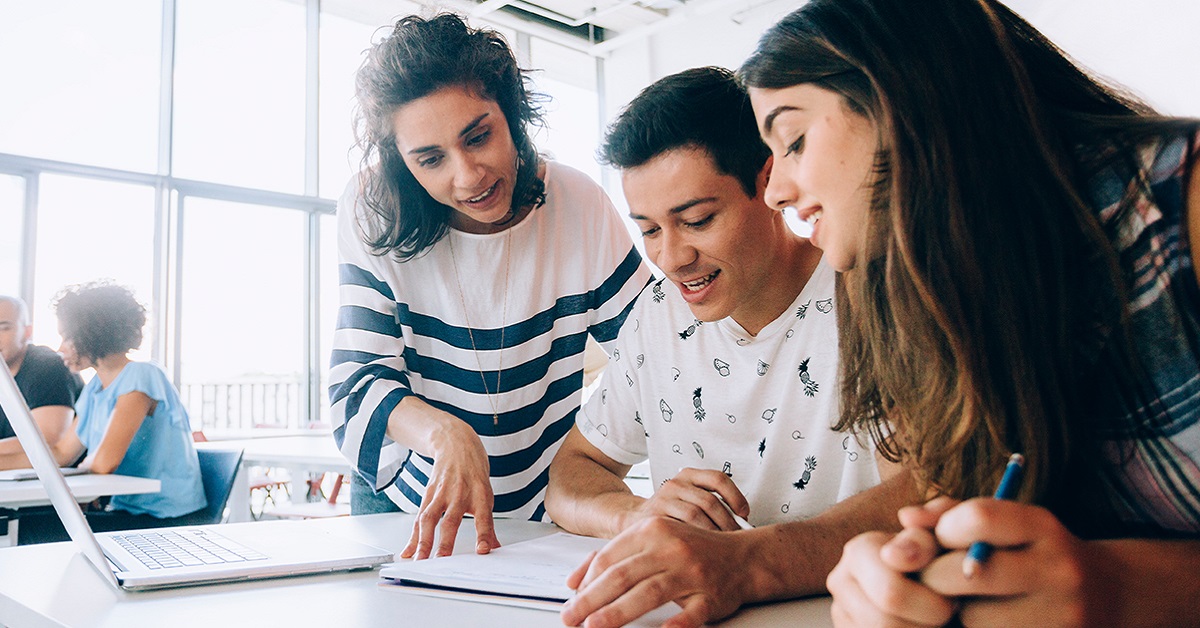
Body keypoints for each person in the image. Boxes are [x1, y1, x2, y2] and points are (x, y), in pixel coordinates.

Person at [739, 0, 1200, 625]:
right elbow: (946, 507)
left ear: (904, 95)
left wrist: (1123, 588)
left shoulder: (1180, 203)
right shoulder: (907, 291)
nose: (776, 192)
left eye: (792, 140)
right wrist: (906, 577)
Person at [548, 67, 915, 628]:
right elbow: (572, 473)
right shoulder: (654, 318)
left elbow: (924, 488)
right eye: (648, 230)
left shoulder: (872, 294)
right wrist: (640, 514)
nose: (670, 259)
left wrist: (746, 561)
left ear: (769, 182)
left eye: (696, 220)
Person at [330, 13, 651, 561]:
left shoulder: (578, 204)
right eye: (430, 159)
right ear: (403, 164)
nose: (468, 176)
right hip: (408, 504)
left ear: (513, 114)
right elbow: (357, 385)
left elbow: (657, 355)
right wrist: (444, 433)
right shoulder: (373, 210)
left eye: (479, 136)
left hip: (542, 501)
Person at [15, 282, 206, 544]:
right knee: (30, 524)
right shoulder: (95, 389)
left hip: (166, 519)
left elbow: (105, 462)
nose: (60, 348)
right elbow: (61, 452)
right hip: (127, 512)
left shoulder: (142, 376)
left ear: (91, 333)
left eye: (66, 337)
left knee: (32, 529)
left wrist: (84, 466)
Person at [0, 295, 82, 469]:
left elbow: (48, 439)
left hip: (72, 486)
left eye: (3, 328)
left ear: (27, 332)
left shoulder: (47, 366)